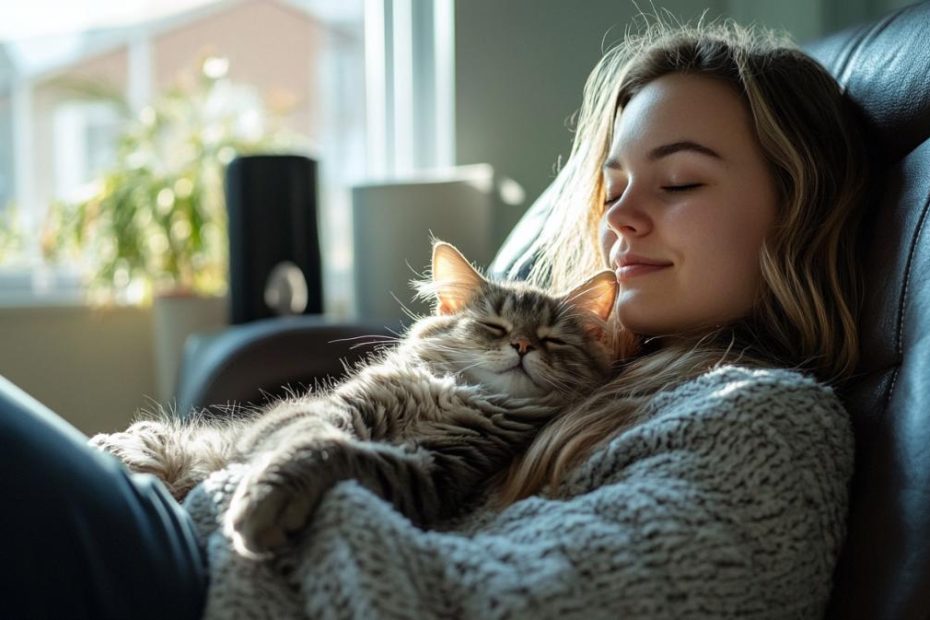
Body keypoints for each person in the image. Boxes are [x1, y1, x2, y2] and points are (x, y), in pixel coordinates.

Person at [0, 17, 868, 619]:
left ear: (798, 210)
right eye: (610, 190)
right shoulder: (593, 385)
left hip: (220, 577)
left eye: (678, 182)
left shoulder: (766, 422)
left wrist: (257, 488)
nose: (619, 222)